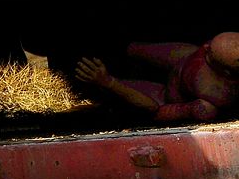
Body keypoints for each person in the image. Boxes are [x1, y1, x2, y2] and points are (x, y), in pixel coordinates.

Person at [74, 32, 239, 122]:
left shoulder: (215, 97)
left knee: (109, 87)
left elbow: (155, 110)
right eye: (208, 45)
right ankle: (121, 47)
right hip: (184, 59)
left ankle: (107, 80)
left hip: (167, 98)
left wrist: (109, 82)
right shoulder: (206, 52)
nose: (205, 46)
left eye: (209, 52)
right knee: (133, 48)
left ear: (227, 73)